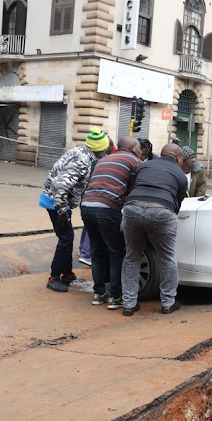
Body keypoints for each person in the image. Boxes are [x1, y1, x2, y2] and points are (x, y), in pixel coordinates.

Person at [39, 127, 110, 293]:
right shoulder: (83, 161)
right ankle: (54, 277)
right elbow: (59, 185)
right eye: (105, 148)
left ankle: (67, 274)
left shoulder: (80, 151)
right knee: (65, 238)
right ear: (99, 149)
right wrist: (62, 210)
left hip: (57, 200)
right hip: (55, 201)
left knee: (68, 238)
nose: (106, 151)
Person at [121, 143, 188, 317]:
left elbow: (135, 186)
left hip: (132, 207)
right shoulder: (181, 175)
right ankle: (168, 303)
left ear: (162, 153)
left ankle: (128, 304)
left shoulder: (145, 165)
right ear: (178, 159)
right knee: (167, 257)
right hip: (162, 210)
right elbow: (176, 206)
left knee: (132, 257)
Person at [80, 137, 143, 310]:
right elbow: (134, 188)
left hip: (86, 206)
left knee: (97, 252)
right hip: (107, 208)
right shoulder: (134, 161)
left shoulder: (104, 159)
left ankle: (99, 293)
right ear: (131, 147)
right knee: (117, 253)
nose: (141, 151)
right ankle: (116, 297)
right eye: (139, 147)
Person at [78, 136, 116, 267]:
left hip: (85, 196)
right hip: (93, 196)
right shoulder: (103, 160)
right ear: (109, 148)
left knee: (87, 225)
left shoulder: (95, 159)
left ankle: (83, 250)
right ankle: (86, 254)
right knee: (93, 226)